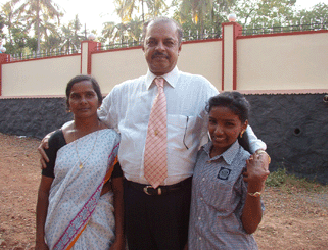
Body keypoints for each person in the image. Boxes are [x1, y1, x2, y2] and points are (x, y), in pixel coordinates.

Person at [38, 17, 270, 250]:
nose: (160, 48)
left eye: (168, 42)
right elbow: (92, 123)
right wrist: (57, 135)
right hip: (133, 199)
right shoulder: (123, 93)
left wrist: (260, 156)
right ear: (143, 47)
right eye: (152, 42)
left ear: (179, 47)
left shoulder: (199, 88)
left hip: (179, 201)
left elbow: (239, 125)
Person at [35, 75, 125, 250]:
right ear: (68, 104)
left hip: (99, 224)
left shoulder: (112, 141)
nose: (83, 101)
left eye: (89, 95)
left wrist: (120, 237)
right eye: (75, 96)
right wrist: (39, 240)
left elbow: (119, 192)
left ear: (99, 101)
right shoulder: (54, 141)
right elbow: (44, 191)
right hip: (60, 224)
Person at [188, 92, 269, 249]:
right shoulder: (200, 156)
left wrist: (254, 185)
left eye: (229, 124)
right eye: (213, 122)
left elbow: (250, 226)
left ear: (243, 126)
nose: (218, 131)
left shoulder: (246, 164)